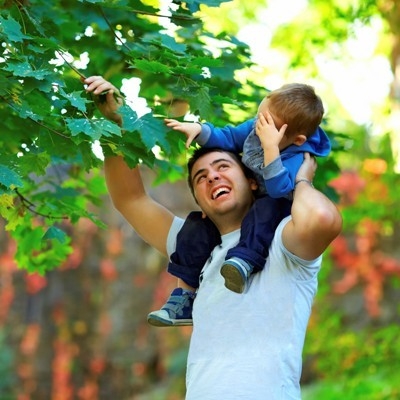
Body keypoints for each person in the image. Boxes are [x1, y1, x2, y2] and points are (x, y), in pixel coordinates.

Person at [84, 75, 342, 399]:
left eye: (222, 167)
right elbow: (130, 198)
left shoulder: (282, 240)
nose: (212, 177)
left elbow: (322, 218)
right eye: (201, 177)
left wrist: (302, 179)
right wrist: (114, 123)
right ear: (201, 206)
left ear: (252, 181)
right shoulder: (194, 247)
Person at [148, 83, 331, 327]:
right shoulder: (258, 126)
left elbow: (278, 189)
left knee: (265, 209)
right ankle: (185, 296)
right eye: (259, 117)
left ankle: (244, 261)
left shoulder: (296, 157)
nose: (259, 128)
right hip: (252, 200)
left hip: (276, 205)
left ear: (296, 140)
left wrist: (270, 148)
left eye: (269, 126)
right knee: (195, 225)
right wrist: (200, 130)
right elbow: (231, 137)